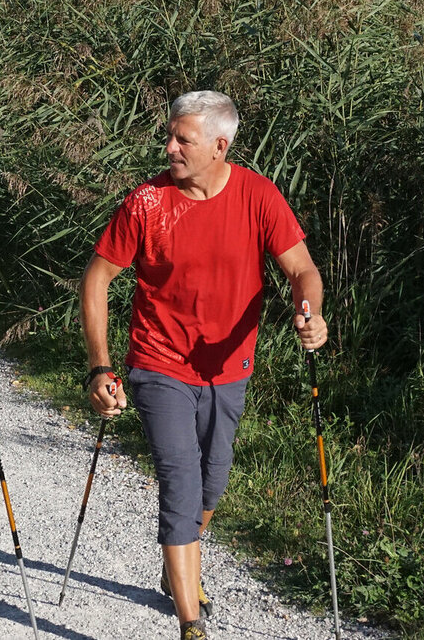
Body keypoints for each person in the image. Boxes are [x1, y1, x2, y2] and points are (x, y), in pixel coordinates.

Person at [80, 91, 328, 639]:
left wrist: (309, 313)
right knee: (181, 480)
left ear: (220, 146)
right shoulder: (146, 202)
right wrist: (99, 367)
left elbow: (302, 270)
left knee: (213, 481)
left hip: (228, 367)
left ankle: (178, 570)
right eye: (169, 136)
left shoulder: (258, 196)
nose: (168, 147)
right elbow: (96, 280)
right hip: (158, 361)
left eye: (182, 140)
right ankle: (190, 621)